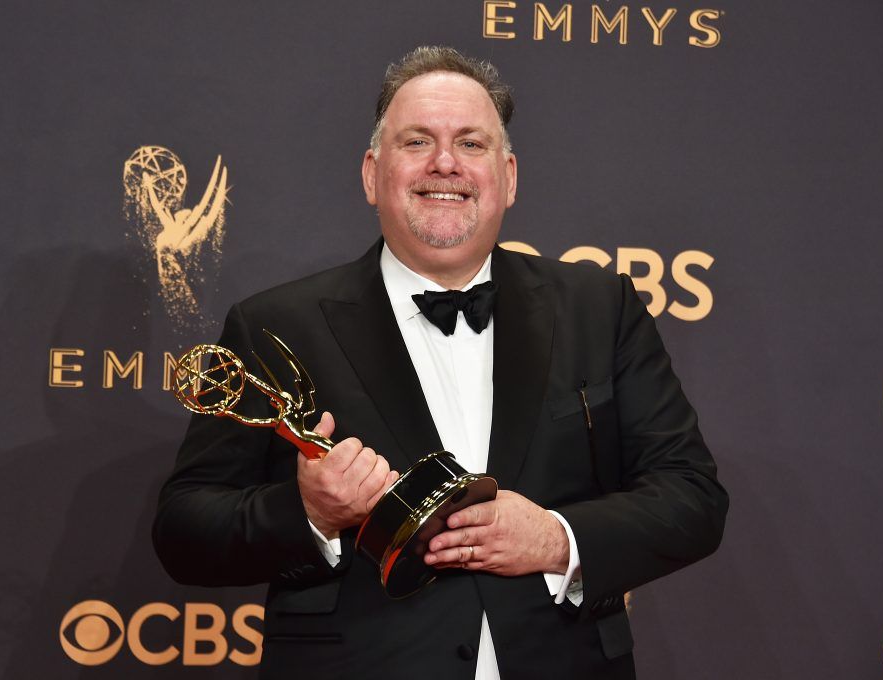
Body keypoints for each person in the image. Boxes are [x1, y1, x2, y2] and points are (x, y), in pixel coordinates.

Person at [153, 46, 728, 679]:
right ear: (373, 174)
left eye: (471, 144)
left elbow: (692, 497)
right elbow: (185, 531)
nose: (445, 163)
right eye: (417, 141)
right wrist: (310, 513)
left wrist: (554, 537)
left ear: (508, 176)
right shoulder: (276, 325)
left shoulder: (600, 307)